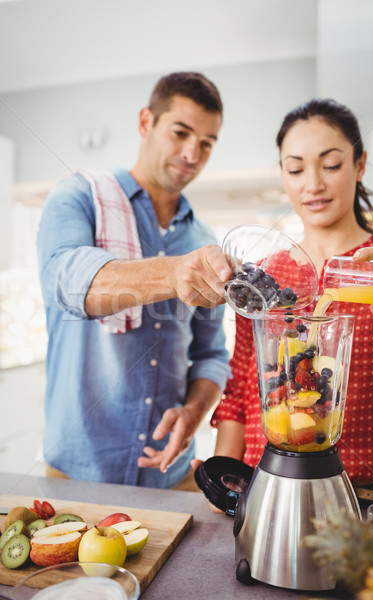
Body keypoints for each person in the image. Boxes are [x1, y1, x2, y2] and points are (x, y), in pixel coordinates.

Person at [37, 72, 233, 489]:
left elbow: (212, 354)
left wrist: (195, 411)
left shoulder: (202, 239)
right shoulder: (79, 197)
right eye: (180, 132)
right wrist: (173, 272)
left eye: (206, 143)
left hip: (171, 476)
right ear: (146, 122)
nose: (191, 153)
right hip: (78, 477)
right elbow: (66, 281)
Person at [207, 98, 373, 501]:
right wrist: (222, 481)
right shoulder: (263, 278)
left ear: (360, 165)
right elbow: (241, 388)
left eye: (330, 165)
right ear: (283, 174)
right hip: (267, 488)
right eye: (295, 169)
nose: (312, 184)